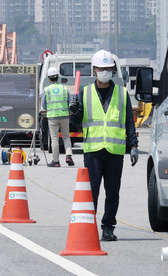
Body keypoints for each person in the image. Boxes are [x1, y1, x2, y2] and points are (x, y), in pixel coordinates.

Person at [70, 49, 139, 241]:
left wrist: (134, 146)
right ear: (94, 70)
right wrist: (74, 111)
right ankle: (89, 226)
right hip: (93, 151)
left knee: (113, 193)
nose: (105, 71)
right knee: (92, 192)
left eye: (108, 68)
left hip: (115, 152)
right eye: (102, 68)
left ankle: (108, 227)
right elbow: (76, 123)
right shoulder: (84, 93)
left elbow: (129, 122)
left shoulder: (122, 94)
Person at [41, 67, 74, 167]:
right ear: (58, 77)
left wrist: (51, 109)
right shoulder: (65, 88)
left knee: (54, 139)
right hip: (64, 116)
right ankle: (68, 156)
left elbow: (43, 104)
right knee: (66, 136)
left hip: (52, 117)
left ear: (49, 78)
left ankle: (56, 161)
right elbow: (70, 102)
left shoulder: (46, 90)